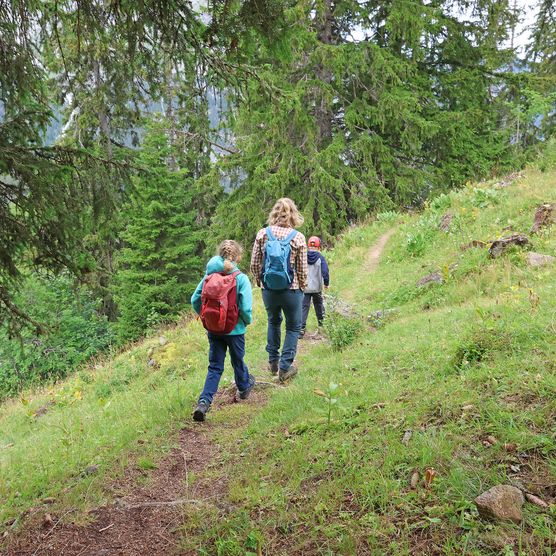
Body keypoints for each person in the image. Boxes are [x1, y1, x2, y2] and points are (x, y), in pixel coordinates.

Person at [191, 240, 255, 422]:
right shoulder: (240, 278)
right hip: (235, 331)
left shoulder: (209, 276)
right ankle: (243, 387)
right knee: (237, 360)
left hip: (214, 329)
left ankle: (204, 402)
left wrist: (206, 316)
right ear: (238, 257)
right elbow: (245, 308)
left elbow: (195, 299)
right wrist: (245, 322)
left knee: (215, 367)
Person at [250, 198, 308, 383]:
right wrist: (302, 286)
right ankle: (285, 368)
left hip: (269, 288)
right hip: (291, 290)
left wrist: (260, 281)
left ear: (274, 213)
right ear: (293, 214)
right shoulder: (297, 237)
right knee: (293, 326)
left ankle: (273, 362)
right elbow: (302, 269)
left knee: (273, 322)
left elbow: (254, 263)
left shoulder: (263, 234)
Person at [300, 236, 329, 338]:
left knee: (304, 307)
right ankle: (322, 326)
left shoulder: (303, 256)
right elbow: (325, 272)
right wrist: (326, 283)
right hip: (317, 288)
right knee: (319, 306)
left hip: (305, 288)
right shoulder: (321, 257)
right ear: (319, 247)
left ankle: (301, 329)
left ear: (308, 246)